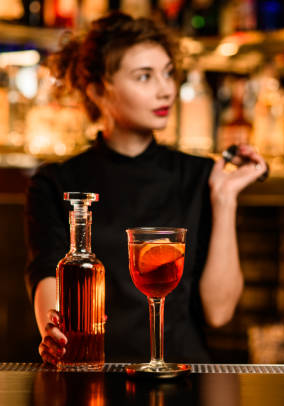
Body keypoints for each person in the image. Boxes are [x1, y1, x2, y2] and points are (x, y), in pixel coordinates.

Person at [24, 12, 267, 365]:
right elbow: (48, 274)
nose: (166, 88)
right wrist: (54, 331)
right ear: (97, 90)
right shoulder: (56, 183)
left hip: (183, 377)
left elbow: (220, 312)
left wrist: (225, 198)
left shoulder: (201, 175)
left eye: (168, 73)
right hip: (92, 372)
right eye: (144, 76)